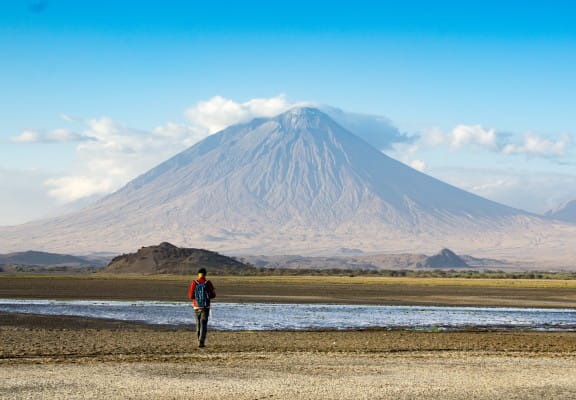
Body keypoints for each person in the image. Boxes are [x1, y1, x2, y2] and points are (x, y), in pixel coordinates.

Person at [188, 268, 216, 347]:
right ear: (205, 274)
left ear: (198, 274)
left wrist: (197, 299)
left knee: (198, 324)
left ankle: (198, 339)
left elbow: (190, 296)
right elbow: (213, 295)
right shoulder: (208, 283)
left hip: (196, 307)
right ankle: (201, 342)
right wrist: (206, 297)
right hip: (205, 307)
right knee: (203, 324)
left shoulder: (194, 283)